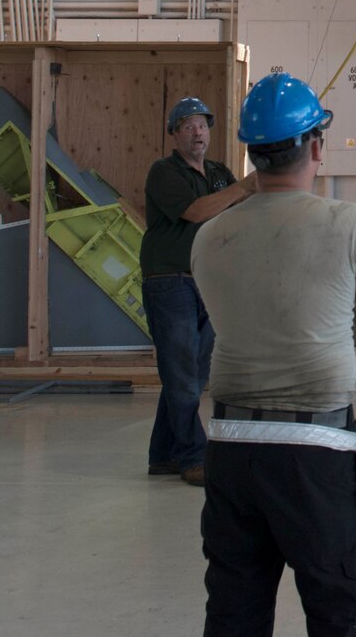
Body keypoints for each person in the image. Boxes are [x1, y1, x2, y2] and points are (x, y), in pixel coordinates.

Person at [192, 72, 356, 637]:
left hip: (231, 448)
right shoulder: (350, 222)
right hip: (317, 450)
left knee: (234, 610)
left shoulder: (209, 237)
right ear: (316, 146)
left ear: (252, 154)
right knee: (338, 609)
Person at [142, 96, 252, 486]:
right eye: (187, 126)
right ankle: (192, 456)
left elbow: (241, 209)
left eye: (202, 125)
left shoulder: (220, 173)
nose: (197, 132)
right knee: (182, 372)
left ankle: (163, 455)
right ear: (174, 135)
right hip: (170, 280)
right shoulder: (164, 172)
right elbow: (197, 211)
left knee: (190, 372)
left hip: (206, 280)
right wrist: (248, 185)